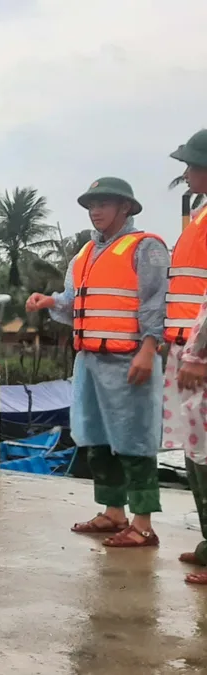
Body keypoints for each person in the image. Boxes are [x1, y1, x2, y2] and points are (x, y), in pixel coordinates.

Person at [26, 177, 169, 548]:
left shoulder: (146, 248)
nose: (95, 210)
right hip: (89, 359)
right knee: (96, 437)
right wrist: (50, 302)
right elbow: (75, 301)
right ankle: (113, 511)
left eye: (104, 203)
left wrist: (148, 348)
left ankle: (142, 523)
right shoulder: (84, 254)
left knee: (135, 440)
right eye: (91, 204)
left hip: (129, 358)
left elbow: (155, 303)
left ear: (125, 207)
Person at [162, 130, 207, 581]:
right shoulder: (199, 213)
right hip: (187, 347)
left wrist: (198, 354)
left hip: (202, 353)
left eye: (193, 164)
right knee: (197, 450)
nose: (187, 172)